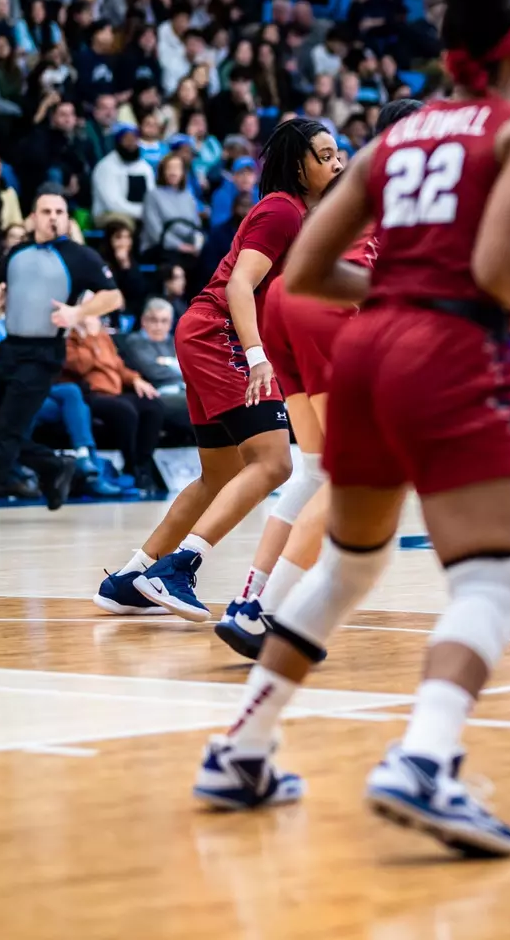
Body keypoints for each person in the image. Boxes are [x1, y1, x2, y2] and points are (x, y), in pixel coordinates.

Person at [191, 0, 510, 857]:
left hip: (371, 351)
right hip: (453, 354)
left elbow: (304, 274)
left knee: (347, 565)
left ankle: (241, 748)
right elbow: (499, 273)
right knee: (489, 582)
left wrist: (400, 289)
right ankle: (423, 760)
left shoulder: (394, 140)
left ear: (451, 58)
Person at [92, 119, 344, 618]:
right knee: (275, 463)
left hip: (204, 332)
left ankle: (131, 576)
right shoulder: (282, 211)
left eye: (339, 155)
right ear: (299, 165)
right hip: (220, 333)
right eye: (326, 155)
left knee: (219, 474)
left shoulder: (299, 217)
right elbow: (239, 286)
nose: (338, 164)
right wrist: (256, 356)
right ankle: (179, 567)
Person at [214, 99, 425, 660]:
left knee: (312, 471)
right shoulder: (414, 181)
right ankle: (266, 613)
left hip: (287, 302)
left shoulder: (356, 177)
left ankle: (252, 596)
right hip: (332, 305)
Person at [0, 189, 122, 525]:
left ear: (66, 218)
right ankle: (55, 465)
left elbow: (114, 297)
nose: (53, 216)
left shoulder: (80, 256)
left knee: (8, 434)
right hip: (10, 348)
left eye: (59, 211)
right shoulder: (16, 251)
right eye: (46, 211)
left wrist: (78, 312)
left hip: (43, 354)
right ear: (33, 217)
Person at [63, 308, 166, 492]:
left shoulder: (103, 336)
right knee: (125, 411)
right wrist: (88, 337)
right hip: (89, 393)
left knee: (153, 406)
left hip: (115, 390)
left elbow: (117, 366)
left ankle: (143, 464)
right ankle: (131, 464)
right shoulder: (70, 338)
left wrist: (135, 379)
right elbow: (80, 366)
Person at [118, 297, 193, 435]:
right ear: (143, 321)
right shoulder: (136, 342)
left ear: (171, 323)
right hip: (157, 393)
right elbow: (153, 371)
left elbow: (194, 369)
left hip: (184, 389)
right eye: (153, 320)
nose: (158, 326)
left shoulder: (175, 341)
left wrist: (167, 363)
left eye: (164, 321)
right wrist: (177, 365)